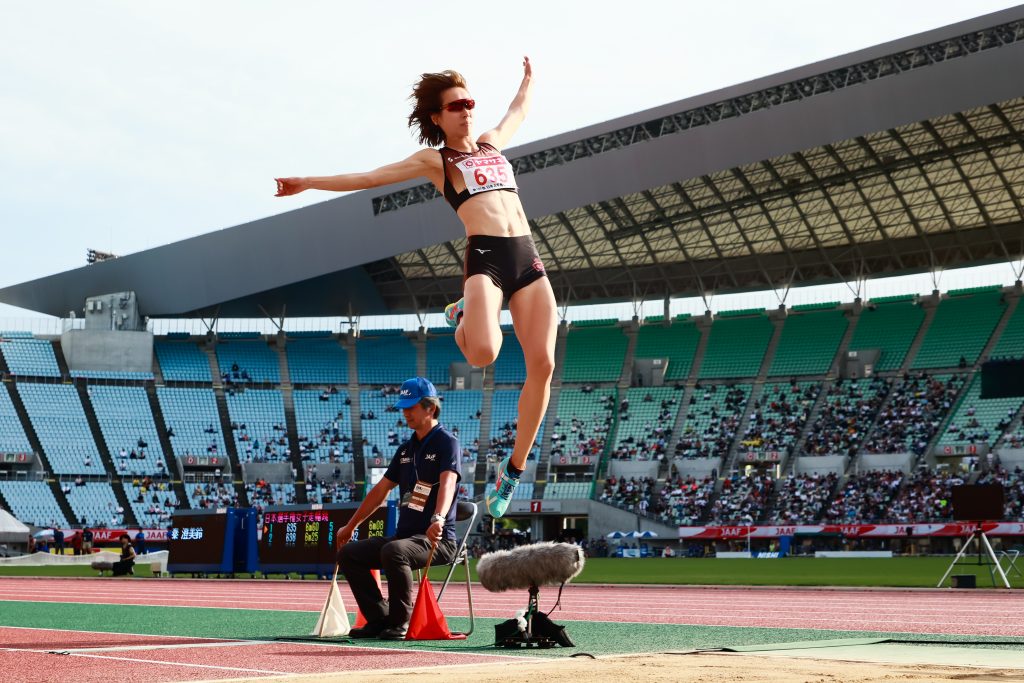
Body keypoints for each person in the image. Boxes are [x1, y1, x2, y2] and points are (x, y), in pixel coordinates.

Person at [276, 58, 553, 518]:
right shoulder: (437, 161)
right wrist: (307, 182)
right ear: (437, 117)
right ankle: (465, 313)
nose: (467, 110)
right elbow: (368, 178)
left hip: (527, 257)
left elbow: (517, 112)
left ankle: (514, 470)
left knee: (543, 365)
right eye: (456, 105)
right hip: (486, 260)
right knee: (483, 353)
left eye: (469, 102)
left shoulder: (491, 146)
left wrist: (528, 81)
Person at [335, 377, 461, 640]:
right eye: (403, 407)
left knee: (394, 551)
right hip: (404, 539)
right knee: (349, 553)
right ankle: (380, 620)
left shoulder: (447, 442)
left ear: (430, 408)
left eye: (411, 407)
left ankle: (400, 622)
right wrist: (352, 525)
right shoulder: (405, 449)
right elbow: (380, 491)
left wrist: (438, 518)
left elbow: (449, 483)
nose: (405, 413)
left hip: (437, 540)